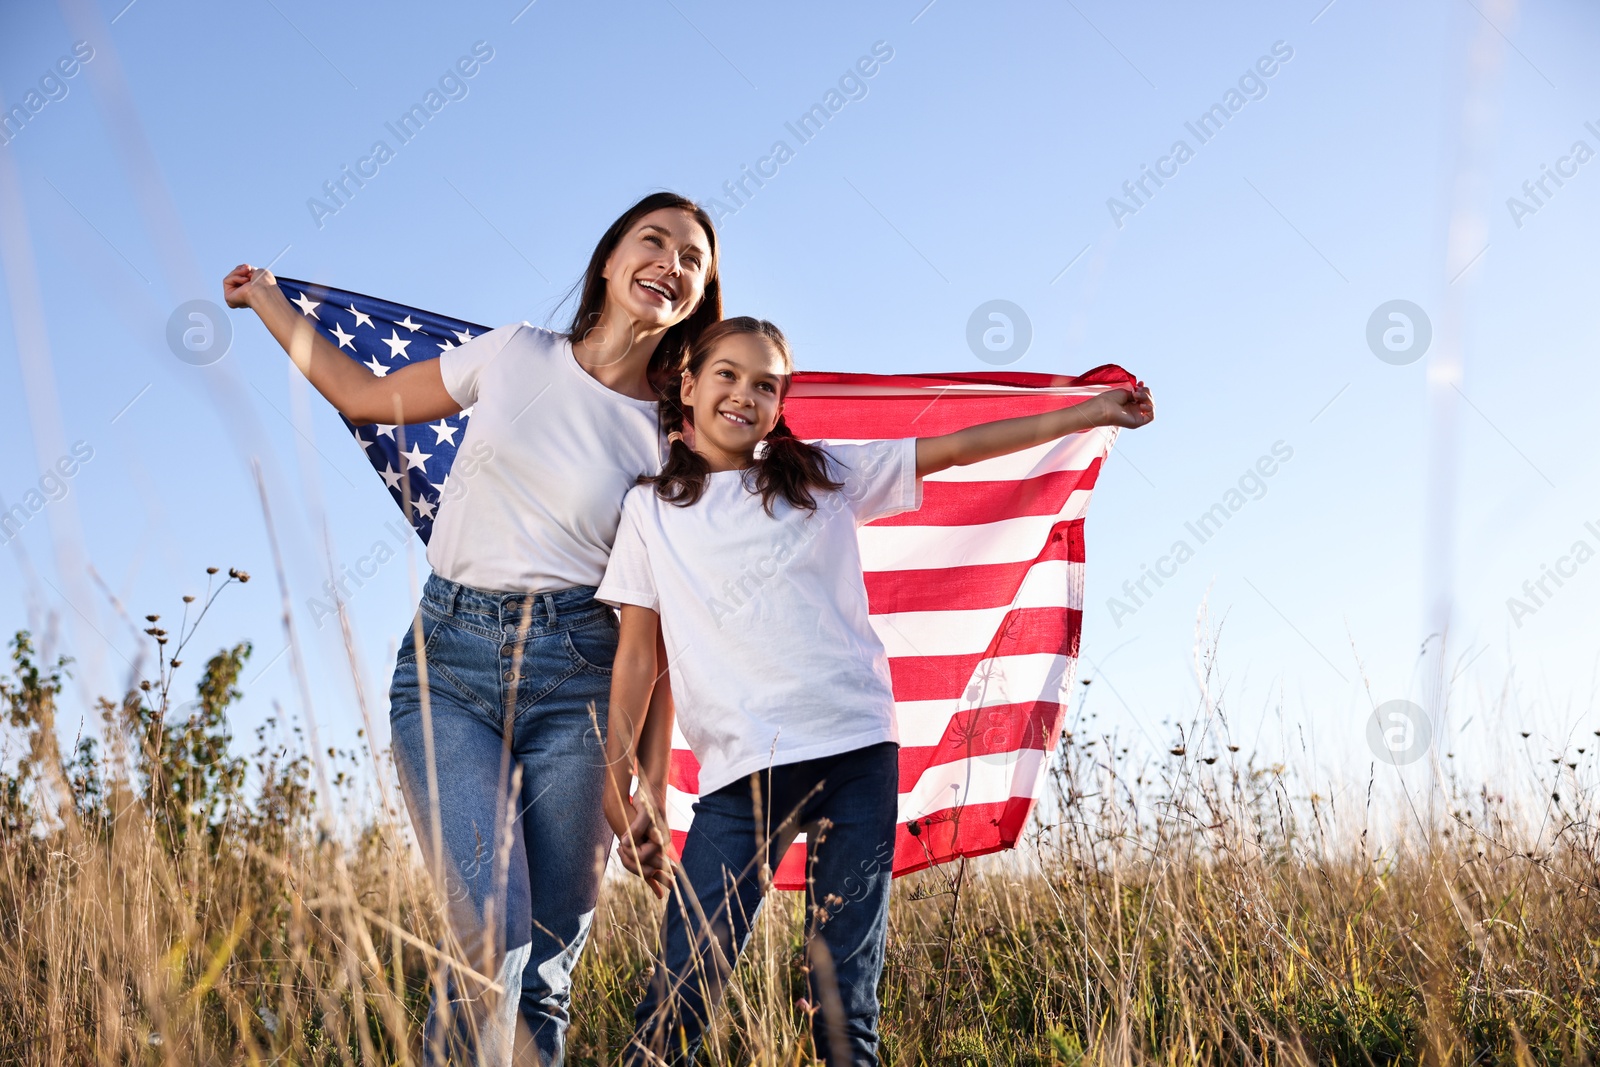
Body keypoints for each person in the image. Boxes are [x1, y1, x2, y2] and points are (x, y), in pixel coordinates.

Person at [222, 192, 722, 1066]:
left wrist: (646, 782)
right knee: (488, 935)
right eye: (655, 241)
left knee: (543, 971)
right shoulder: (516, 353)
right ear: (609, 260)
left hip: (583, 685)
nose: (671, 263)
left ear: (698, 297)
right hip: (448, 667)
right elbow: (364, 394)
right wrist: (266, 297)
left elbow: (661, 632)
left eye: (692, 259)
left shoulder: (673, 440)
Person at [594, 316, 1155, 1065]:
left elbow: (956, 447)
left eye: (765, 384)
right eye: (726, 374)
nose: (744, 394)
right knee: (677, 996)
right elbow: (639, 655)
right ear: (688, 386)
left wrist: (1088, 412)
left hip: (855, 753)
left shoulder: (820, 474)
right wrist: (618, 772)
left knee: (841, 999)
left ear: (780, 402)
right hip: (738, 780)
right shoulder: (649, 510)